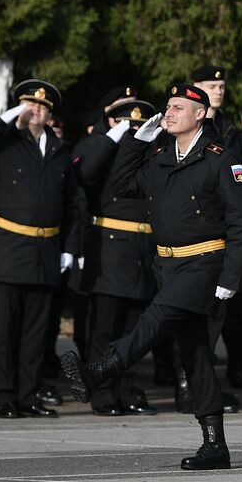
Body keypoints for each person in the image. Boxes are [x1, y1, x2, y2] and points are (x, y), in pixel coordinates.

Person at [61, 83, 242, 470]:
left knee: (157, 317)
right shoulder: (161, 156)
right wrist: (136, 143)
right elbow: (121, 186)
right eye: (167, 106)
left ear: (199, 114)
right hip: (167, 265)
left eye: (178, 107)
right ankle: (214, 444)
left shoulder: (220, 158)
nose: (168, 113)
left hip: (204, 263)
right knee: (195, 352)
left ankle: (101, 369)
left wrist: (232, 276)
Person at [0, 80, 86, 419]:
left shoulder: (59, 150)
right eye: (31, 105)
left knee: (36, 332)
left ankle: (28, 394)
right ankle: (2, 396)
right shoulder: (4, 144)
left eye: (44, 108)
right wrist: (2, 120)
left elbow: (75, 204)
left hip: (45, 249)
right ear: (20, 107)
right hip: (7, 249)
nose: (37, 111)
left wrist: (70, 248)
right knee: (3, 330)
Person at [72, 99, 160, 415]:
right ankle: (103, 393)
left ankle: (128, 390)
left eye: (139, 125)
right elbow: (82, 173)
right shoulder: (101, 147)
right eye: (127, 123)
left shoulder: (152, 151)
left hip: (143, 247)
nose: (134, 130)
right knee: (105, 328)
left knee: (134, 330)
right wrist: (111, 138)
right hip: (110, 247)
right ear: (113, 123)